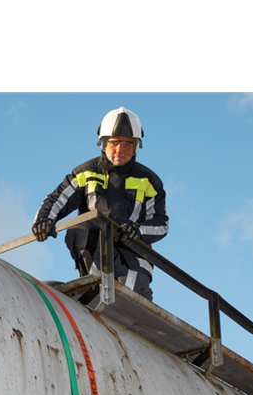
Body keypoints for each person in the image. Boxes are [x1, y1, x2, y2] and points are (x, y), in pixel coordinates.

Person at [31, 107, 168, 301]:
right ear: (103, 144)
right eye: (114, 143)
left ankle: (128, 302)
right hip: (97, 247)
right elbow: (57, 199)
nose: (120, 150)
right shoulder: (86, 173)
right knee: (78, 230)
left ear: (136, 146)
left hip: (133, 254)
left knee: (131, 299)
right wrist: (44, 220)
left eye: (127, 144)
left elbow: (161, 223)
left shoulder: (149, 181)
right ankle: (93, 285)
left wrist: (137, 231)